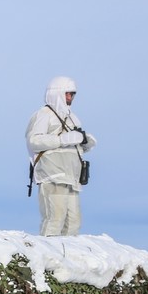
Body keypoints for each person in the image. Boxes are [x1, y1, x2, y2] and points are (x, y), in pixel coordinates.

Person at [26, 75, 97, 236]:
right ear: (56, 93)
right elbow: (34, 141)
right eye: (67, 93)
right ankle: (48, 256)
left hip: (72, 176)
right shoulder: (44, 114)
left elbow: (71, 144)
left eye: (72, 94)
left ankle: (67, 257)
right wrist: (62, 139)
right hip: (52, 174)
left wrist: (85, 142)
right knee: (55, 218)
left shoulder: (72, 118)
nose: (70, 97)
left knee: (73, 222)